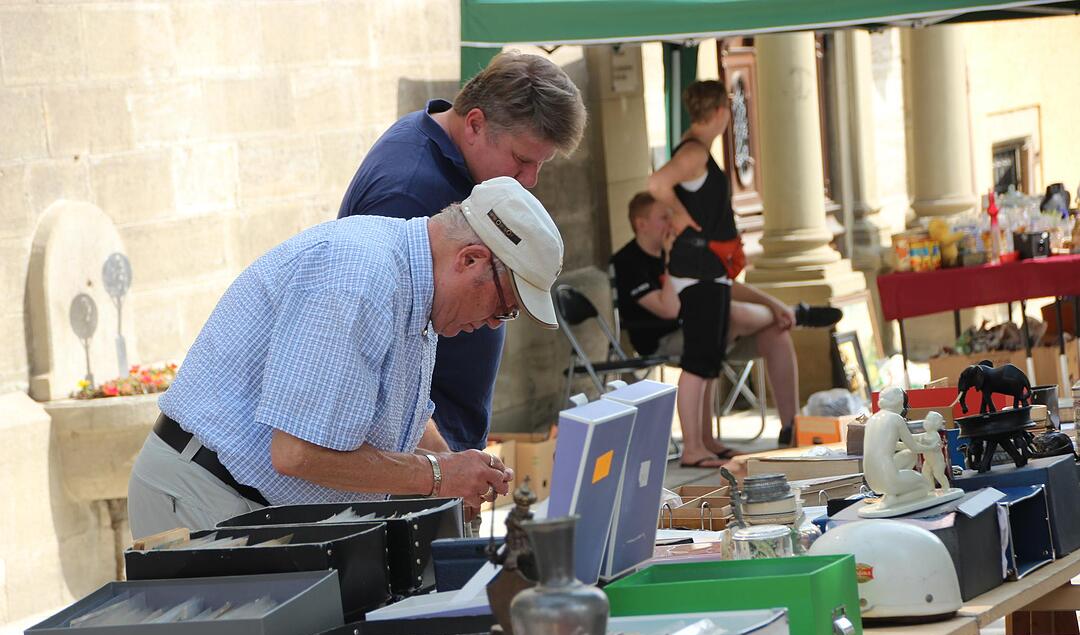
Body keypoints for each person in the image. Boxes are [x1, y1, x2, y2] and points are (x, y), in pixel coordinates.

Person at [128, 177, 564, 538]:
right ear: (471, 260)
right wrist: (439, 476)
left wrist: (453, 468)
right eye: (505, 306)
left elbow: (399, 415)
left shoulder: (411, 281)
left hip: (244, 499)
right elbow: (298, 452)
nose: (495, 323)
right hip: (205, 494)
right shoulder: (362, 278)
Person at [338, 51, 586, 455]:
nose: (530, 181)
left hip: (437, 441)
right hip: (415, 448)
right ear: (474, 123)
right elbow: (376, 367)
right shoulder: (408, 191)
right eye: (522, 160)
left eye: (541, 166)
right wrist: (442, 465)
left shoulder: (445, 159)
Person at [642, 80, 841, 464]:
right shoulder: (695, 152)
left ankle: (706, 441)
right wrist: (682, 217)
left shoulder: (698, 151)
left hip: (710, 269)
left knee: (709, 358)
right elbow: (656, 183)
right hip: (697, 270)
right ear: (719, 113)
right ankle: (694, 448)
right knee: (699, 362)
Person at [612, 192, 839, 466]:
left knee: (774, 332)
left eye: (672, 216)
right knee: (722, 315)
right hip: (662, 337)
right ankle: (794, 314)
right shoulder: (628, 261)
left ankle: (790, 427)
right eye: (663, 217)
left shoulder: (681, 248)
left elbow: (724, 285)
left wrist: (774, 304)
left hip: (703, 329)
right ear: (641, 223)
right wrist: (673, 260)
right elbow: (668, 309)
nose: (671, 223)